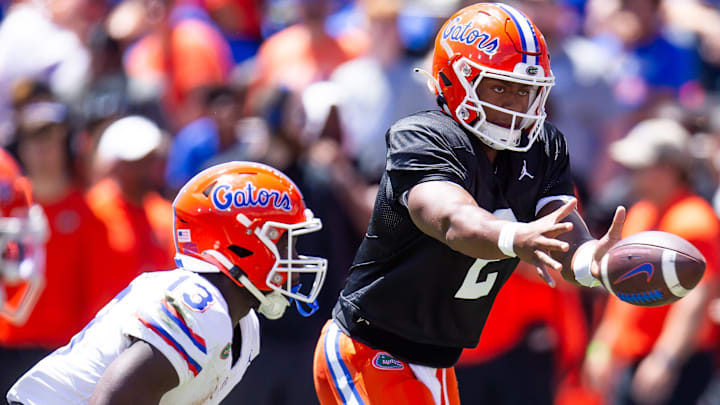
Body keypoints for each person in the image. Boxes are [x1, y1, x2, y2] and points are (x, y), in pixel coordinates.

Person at [312, 3, 626, 404]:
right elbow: (452, 218)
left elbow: (561, 225)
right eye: (500, 87)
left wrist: (589, 261)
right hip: (371, 349)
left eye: (526, 89)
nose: (517, 104)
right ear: (456, 80)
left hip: (438, 362)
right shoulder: (425, 136)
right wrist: (516, 237)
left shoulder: (544, 147)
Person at [7, 161, 329, 404]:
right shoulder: (199, 305)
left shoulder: (244, 327)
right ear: (243, 242)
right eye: (285, 242)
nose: (296, 259)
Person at [583, 118, 720, 405]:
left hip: (677, 366)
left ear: (668, 170)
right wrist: (601, 347)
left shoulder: (693, 219)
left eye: (639, 169)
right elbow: (619, 289)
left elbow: (696, 299)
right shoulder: (641, 213)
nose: (631, 176)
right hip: (635, 360)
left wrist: (665, 360)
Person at [85, 115, 176, 311]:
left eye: (150, 161)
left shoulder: (165, 215)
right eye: (136, 162)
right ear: (114, 164)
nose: (146, 170)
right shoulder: (92, 211)